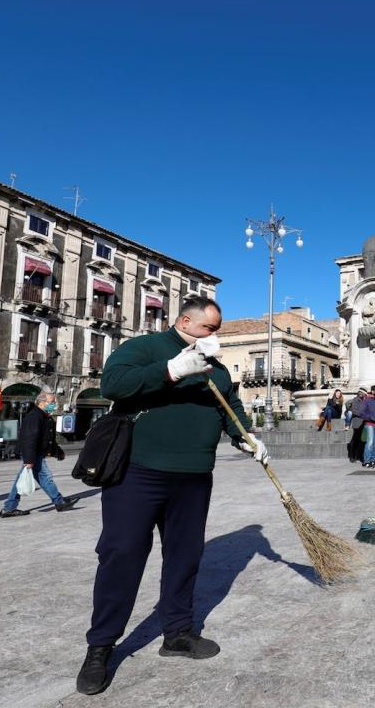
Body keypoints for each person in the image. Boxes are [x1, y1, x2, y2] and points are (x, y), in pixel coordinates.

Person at [76, 297, 269, 696]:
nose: (216, 337)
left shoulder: (215, 368)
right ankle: (100, 647)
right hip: (138, 472)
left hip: (195, 476)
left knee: (184, 556)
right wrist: (171, 369)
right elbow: (113, 385)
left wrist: (245, 436)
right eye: (210, 329)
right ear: (186, 321)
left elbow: (229, 405)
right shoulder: (145, 347)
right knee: (121, 554)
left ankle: (177, 633)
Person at [0, 392, 78, 518]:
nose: (54, 405)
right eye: (51, 402)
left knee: (23, 479)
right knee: (45, 477)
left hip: (36, 453)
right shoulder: (35, 417)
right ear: (41, 403)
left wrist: (58, 452)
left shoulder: (44, 416)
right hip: (33, 453)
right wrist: (29, 459)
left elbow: (47, 439)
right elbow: (29, 439)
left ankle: (9, 507)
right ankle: (59, 502)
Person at [346, 387, 368, 462]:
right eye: (361, 393)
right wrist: (362, 414)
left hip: (364, 423)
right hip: (357, 422)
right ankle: (353, 456)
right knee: (356, 439)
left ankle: (360, 456)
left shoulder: (365, 401)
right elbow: (354, 410)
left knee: (363, 440)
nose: (362, 394)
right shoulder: (355, 400)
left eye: (363, 393)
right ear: (359, 393)